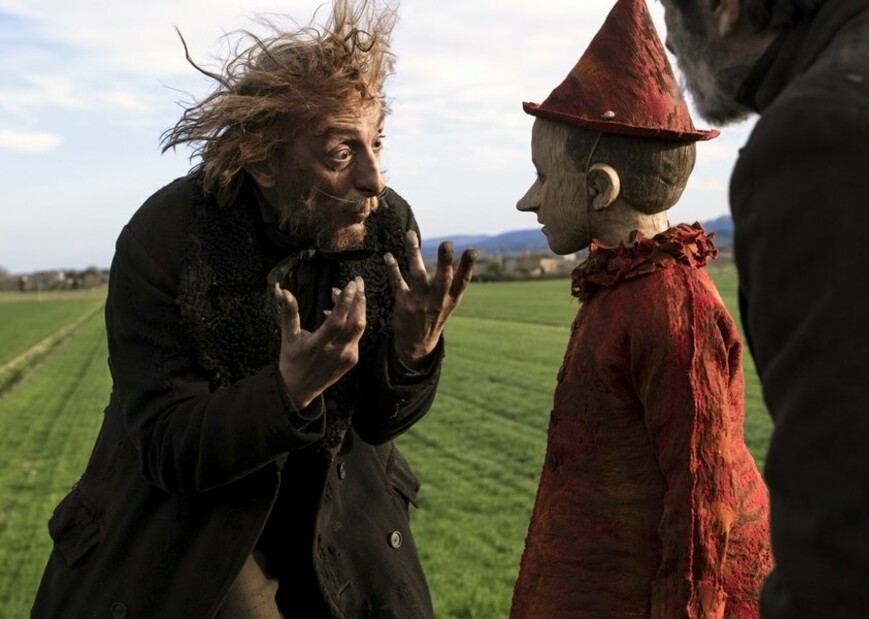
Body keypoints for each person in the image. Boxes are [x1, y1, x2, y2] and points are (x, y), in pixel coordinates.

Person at [31, 2, 477, 618]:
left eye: (377, 142)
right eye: (341, 152)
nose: (375, 179)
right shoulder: (172, 236)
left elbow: (379, 423)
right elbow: (167, 446)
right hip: (195, 532)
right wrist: (288, 392)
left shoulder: (385, 225)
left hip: (339, 521)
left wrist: (412, 353)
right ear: (264, 161)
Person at [657, 0, 869, 616]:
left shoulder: (840, 130)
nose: (669, 42)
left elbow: (865, 565)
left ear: (724, 7)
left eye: (668, 7)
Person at [509, 0, 772, 616]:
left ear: (599, 187)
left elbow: (702, 505)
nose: (528, 201)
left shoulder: (672, 307)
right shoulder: (621, 288)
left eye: (544, 176)